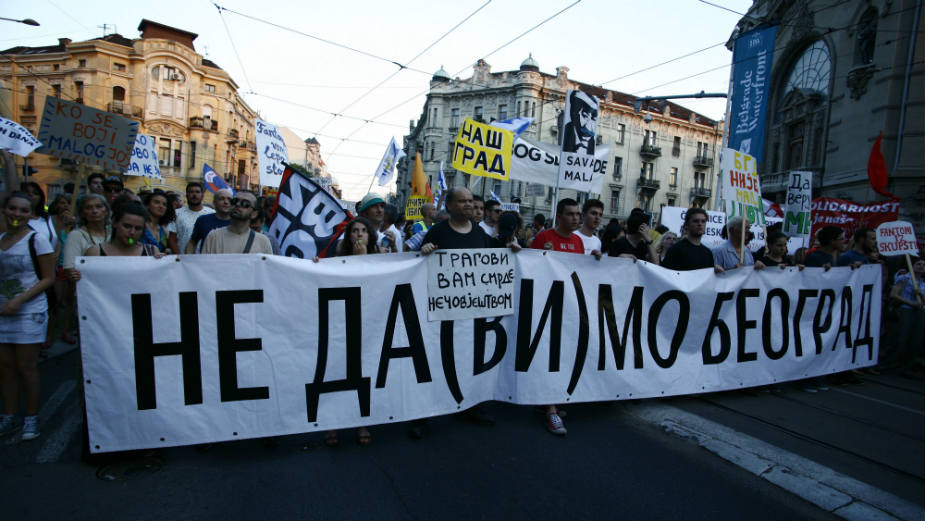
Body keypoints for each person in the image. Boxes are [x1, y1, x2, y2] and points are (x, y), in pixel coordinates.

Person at [416, 187, 521, 438]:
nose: (467, 205)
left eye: (470, 201)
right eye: (461, 201)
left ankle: (469, 405)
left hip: (472, 314)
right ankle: (423, 414)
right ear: (449, 206)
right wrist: (424, 251)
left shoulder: (480, 234)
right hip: (441, 315)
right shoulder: (437, 232)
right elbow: (416, 264)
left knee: (469, 360)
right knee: (437, 361)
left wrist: (511, 247)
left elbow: (496, 258)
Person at [528, 198, 589, 435]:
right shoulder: (543, 239)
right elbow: (530, 269)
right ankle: (551, 411)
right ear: (559, 216)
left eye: (577, 214)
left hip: (569, 310)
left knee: (562, 356)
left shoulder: (578, 242)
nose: (576, 218)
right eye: (571, 214)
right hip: (545, 307)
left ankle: (547, 400)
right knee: (548, 355)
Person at [0, 192, 56, 441]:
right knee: (6, 368)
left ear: (30, 214)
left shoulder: (38, 240)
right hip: (3, 311)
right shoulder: (0, 238)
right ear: (5, 210)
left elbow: (48, 277)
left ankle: (31, 416)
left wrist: (20, 300)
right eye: (12, 209)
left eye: (23, 210)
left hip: (29, 312)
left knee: (26, 367)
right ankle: (10, 414)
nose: (17, 214)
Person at [322, 216, 379, 447]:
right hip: (341, 322)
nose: (359, 234)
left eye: (364, 230)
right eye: (355, 230)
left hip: (369, 323)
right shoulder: (338, 259)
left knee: (365, 372)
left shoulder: (380, 258)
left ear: (370, 235)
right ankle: (331, 424)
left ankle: (362, 423)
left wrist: (365, 259)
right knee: (337, 371)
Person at [883, 256, 924, 376]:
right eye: (919, 264)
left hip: (918, 313)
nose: (921, 266)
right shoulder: (904, 278)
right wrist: (911, 302)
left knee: (916, 340)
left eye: (924, 265)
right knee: (901, 339)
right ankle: (891, 363)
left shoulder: (922, 283)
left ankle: (906, 366)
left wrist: (920, 295)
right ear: (913, 266)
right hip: (905, 310)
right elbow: (894, 294)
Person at [201, 191, 273, 255]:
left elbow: (266, 268)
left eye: (245, 203)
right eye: (234, 201)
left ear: (254, 214)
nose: (238, 204)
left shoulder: (263, 241)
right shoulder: (213, 236)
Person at [186, 189, 233, 253]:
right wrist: (189, 259)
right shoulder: (203, 220)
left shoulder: (238, 223)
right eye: (221, 199)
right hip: (206, 261)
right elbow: (192, 243)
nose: (226, 202)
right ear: (214, 203)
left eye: (229, 199)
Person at [174, 182, 215, 254]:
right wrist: (179, 255)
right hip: (183, 259)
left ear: (202, 195)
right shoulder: (177, 213)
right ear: (186, 195)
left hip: (206, 258)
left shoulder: (212, 213)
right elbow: (172, 239)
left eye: (197, 192)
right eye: (191, 192)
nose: (194, 195)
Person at [562, 90, 597, 154]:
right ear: (574, 115)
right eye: (585, 116)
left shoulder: (592, 142)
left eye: (593, 118)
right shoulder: (565, 134)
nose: (588, 127)